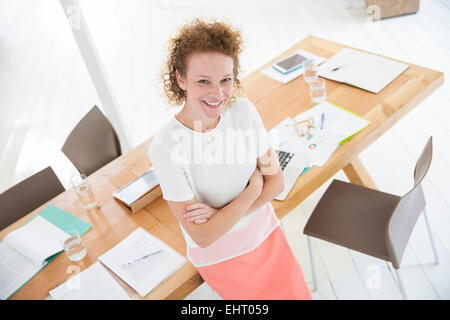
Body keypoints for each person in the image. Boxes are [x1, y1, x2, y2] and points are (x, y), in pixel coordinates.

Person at [149, 18, 311, 300]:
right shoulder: (165, 147)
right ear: (180, 79)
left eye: (226, 79)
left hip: (267, 233)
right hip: (224, 257)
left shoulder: (244, 112)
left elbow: (276, 182)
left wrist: (221, 216)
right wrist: (252, 190)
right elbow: (203, 236)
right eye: (203, 81)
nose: (218, 93)